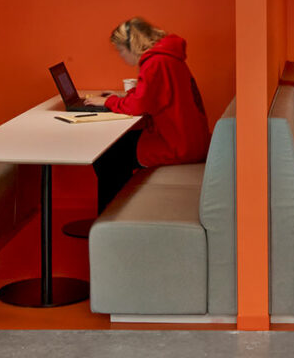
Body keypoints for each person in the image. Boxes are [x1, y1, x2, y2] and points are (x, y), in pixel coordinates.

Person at [90, 18, 210, 215]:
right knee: (114, 151)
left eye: (121, 50)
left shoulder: (155, 62)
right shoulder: (168, 57)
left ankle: (110, 218)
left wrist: (108, 102)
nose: (121, 56)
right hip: (189, 139)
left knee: (108, 156)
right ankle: (117, 213)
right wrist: (120, 97)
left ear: (132, 46)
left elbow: (139, 105)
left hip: (178, 145)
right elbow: (151, 96)